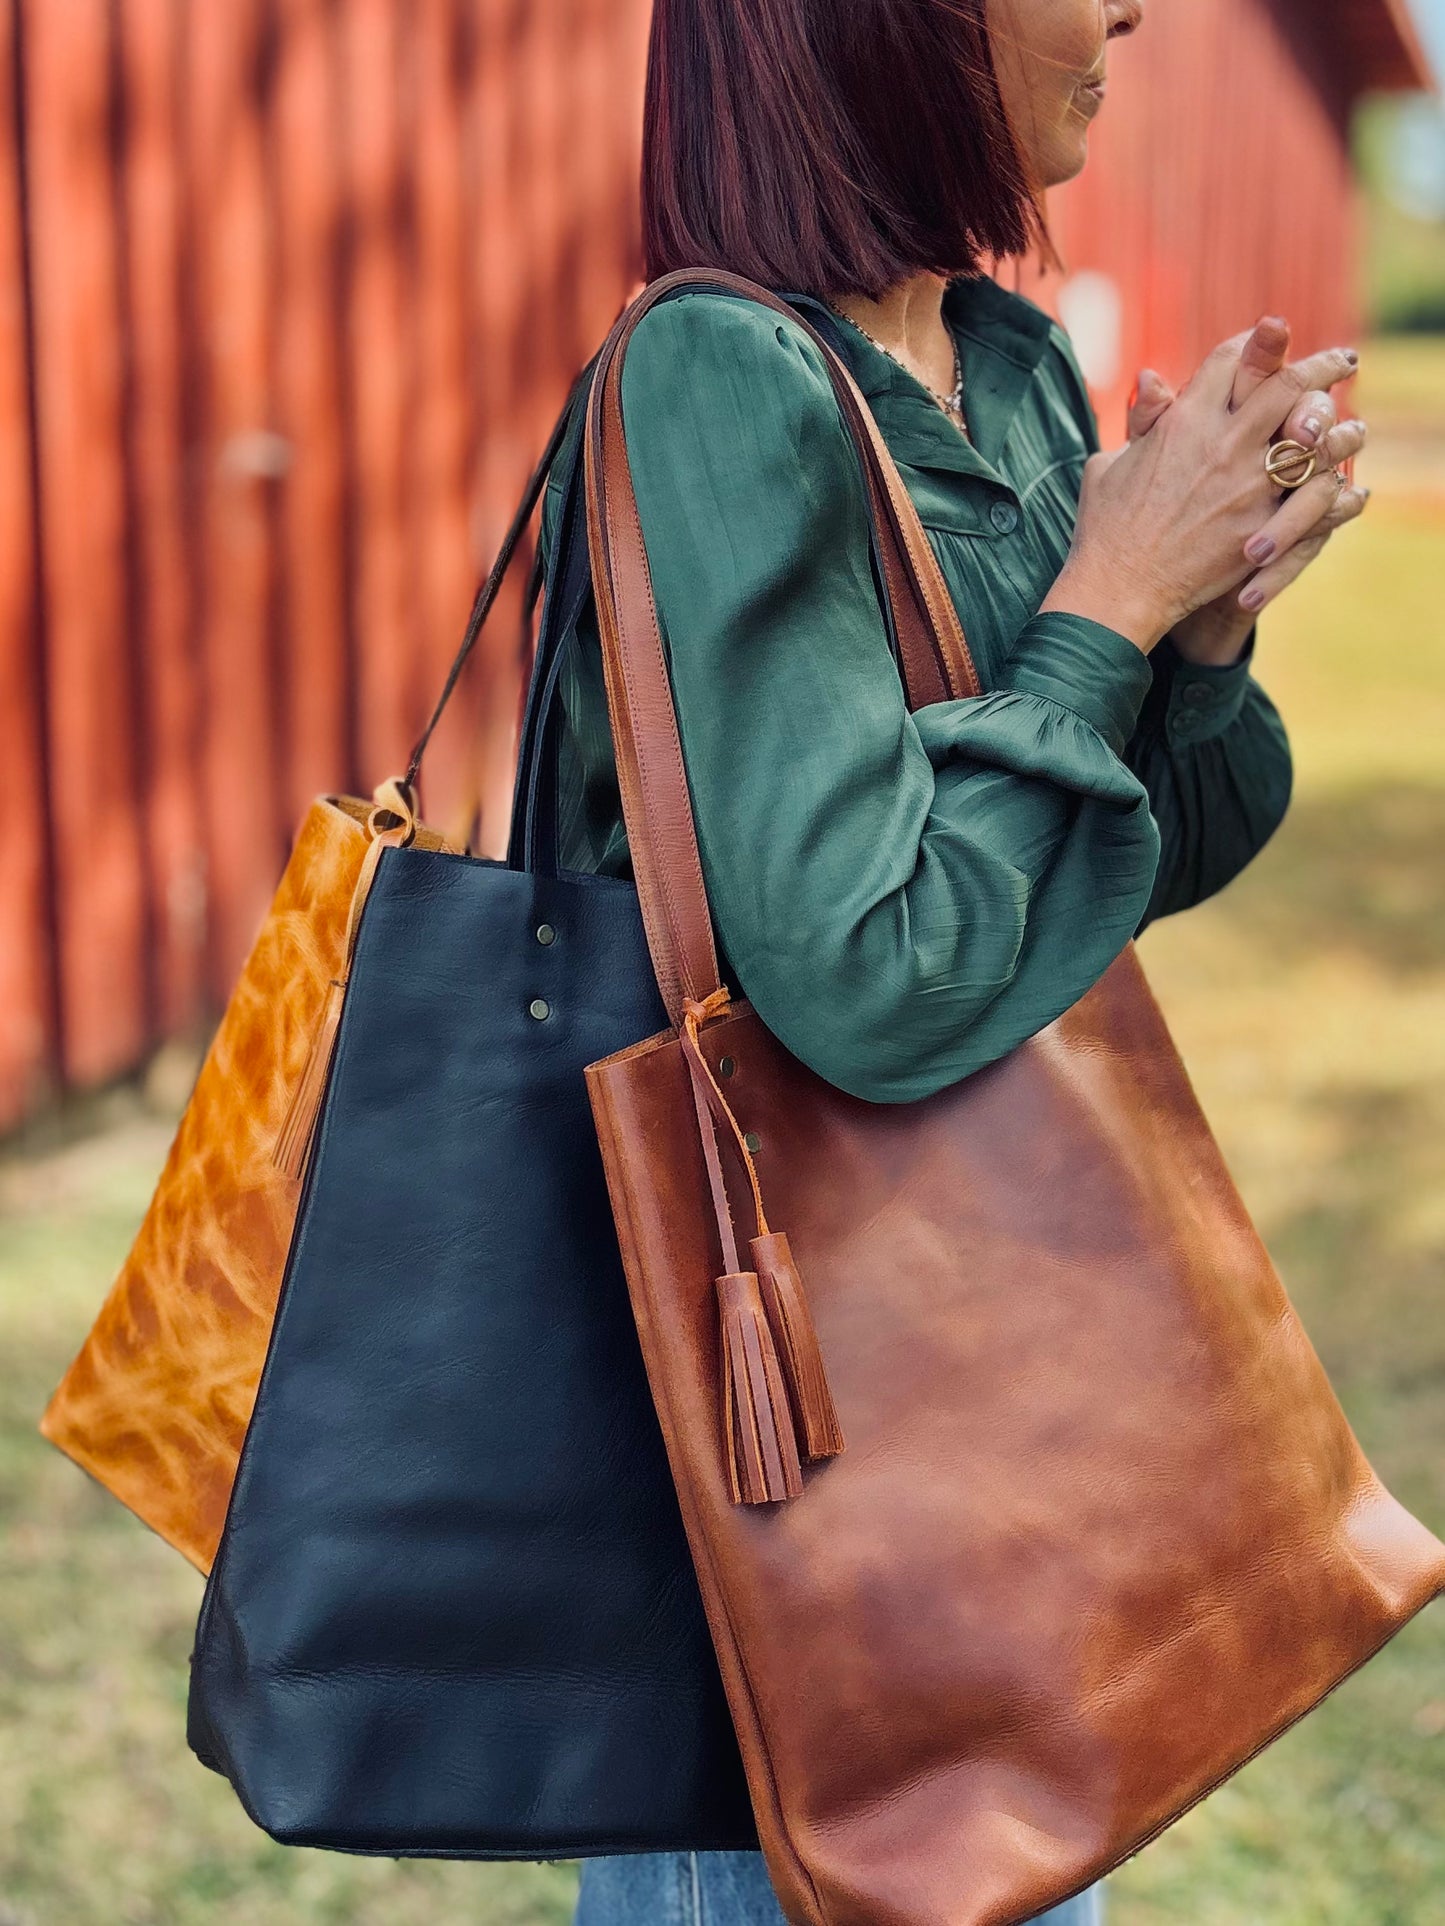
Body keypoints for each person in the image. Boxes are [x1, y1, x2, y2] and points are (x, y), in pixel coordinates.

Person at [548, 2, 1370, 1920]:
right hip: (797, 1450)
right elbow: (874, 969)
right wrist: (1102, 604)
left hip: (974, 1399)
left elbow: (1153, 850)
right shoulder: (716, 373)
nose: (1124, 10)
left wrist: (1200, 628)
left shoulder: (999, 368)